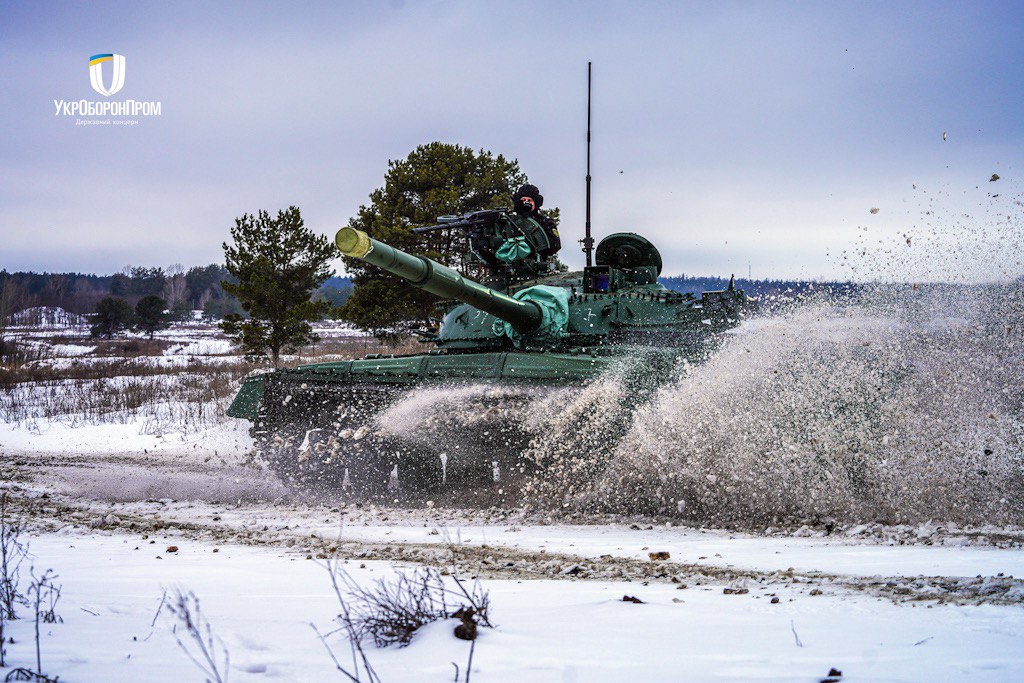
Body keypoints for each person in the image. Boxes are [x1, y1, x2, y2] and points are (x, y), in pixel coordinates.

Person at [512, 184, 561, 257]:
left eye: (529, 200)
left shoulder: (545, 223)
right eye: (523, 200)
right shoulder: (511, 221)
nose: (526, 202)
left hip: (537, 262)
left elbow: (555, 245)